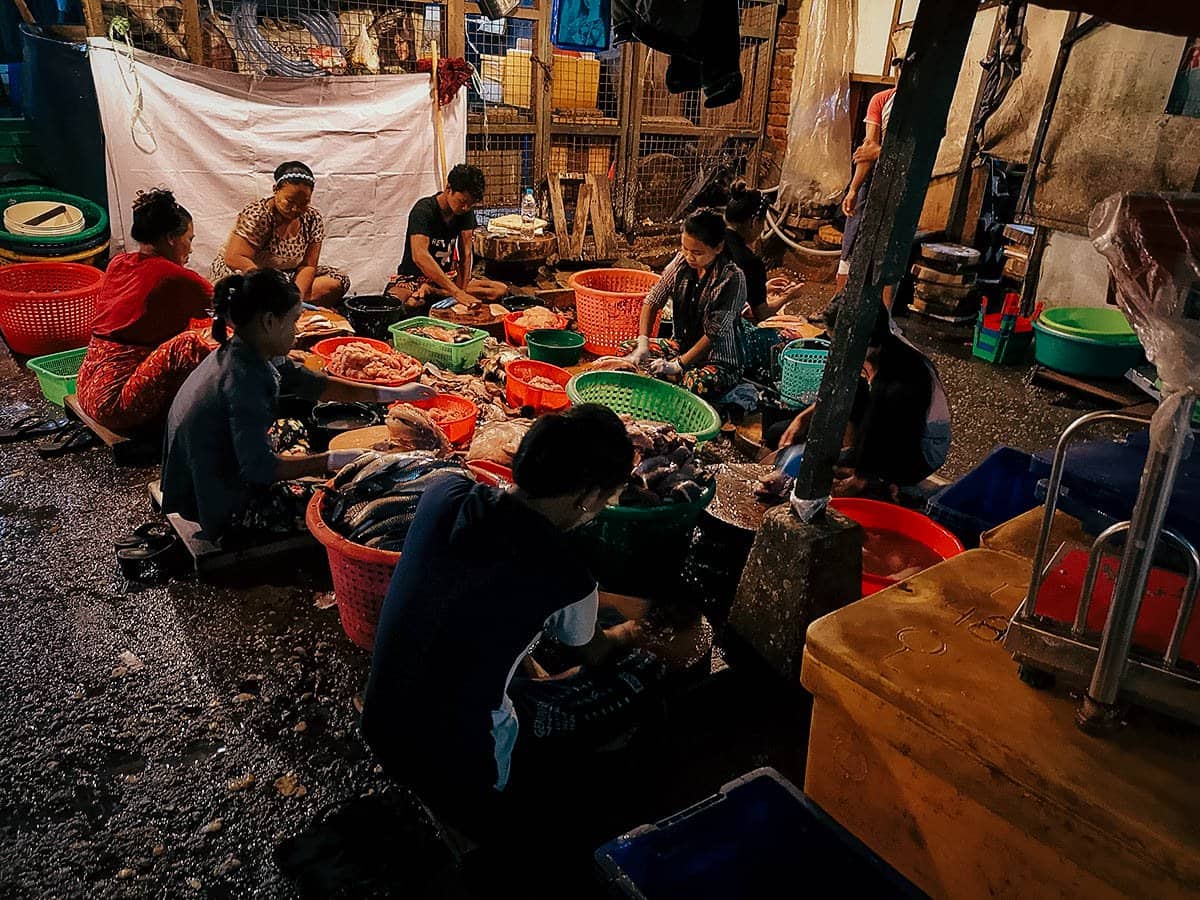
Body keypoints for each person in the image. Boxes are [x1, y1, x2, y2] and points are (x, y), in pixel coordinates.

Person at [362, 404, 643, 844]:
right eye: (605, 500)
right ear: (588, 497)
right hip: (463, 773)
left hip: (382, 727)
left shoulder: (445, 492)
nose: (600, 509)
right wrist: (634, 631)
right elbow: (593, 652)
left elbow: (475, 593)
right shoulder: (566, 574)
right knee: (631, 688)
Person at [161, 269, 431, 543]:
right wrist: (333, 460)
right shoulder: (246, 379)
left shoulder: (252, 348)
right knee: (339, 504)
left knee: (293, 425)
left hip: (212, 471)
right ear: (269, 322)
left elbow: (315, 385)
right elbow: (260, 470)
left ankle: (297, 470)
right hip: (219, 506)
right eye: (294, 320)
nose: (298, 329)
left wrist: (393, 392)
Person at [775, 299, 950, 498]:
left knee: (833, 472)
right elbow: (845, 391)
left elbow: (895, 433)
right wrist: (804, 418)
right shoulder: (874, 352)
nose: (836, 348)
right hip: (889, 430)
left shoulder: (902, 379)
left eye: (838, 341)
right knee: (786, 437)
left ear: (862, 340)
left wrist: (862, 477)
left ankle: (888, 485)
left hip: (920, 450)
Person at [76, 189, 213, 433]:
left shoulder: (119, 262)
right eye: (189, 239)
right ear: (171, 237)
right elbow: (237, 309)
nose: (191, 249)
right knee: (192, 343)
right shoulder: (175, 277)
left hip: (87, 389)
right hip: (114, 405)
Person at [625, 208, 746, 400]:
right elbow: (653, 300)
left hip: (717, 358)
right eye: (685, 248)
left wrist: (677, 365)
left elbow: (713, 335)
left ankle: (675, 378)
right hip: (680, 345)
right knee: (627, 352)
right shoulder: (682, 262)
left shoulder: (731, 278)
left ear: (718, 247)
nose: (689, 256)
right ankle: (671, 377)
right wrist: (643, 343)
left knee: (696, 384)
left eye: (697, 252)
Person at [211, 161, 350, 306]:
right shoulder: (258, 214)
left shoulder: (312, 218)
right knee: (242, 294)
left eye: (304, 203)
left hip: (284, 275)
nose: (296, 209)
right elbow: (234, 258)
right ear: (275, 190)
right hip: (250, 274)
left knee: (337, 280)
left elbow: (308, 265)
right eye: (290, 201)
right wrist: (268, 286)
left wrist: (297, 297)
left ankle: (284, 305)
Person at [385, 163, 506, 312]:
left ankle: (433, 291)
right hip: (414, 279)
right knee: (399, 302)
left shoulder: (464, 213)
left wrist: (461, 289)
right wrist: (456, 293)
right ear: (449, 189)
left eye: (471, 204)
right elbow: (420, 256)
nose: (466, 208)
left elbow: (466, 253)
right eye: (462, 202)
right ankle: (431, 292)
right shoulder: (423, 210)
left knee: (500, 290)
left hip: (447, 279)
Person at [839, 61, 901, 308]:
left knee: (889, 249)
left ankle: (884, 319)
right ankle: (838, 309)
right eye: (900, 69)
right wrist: (853, 189)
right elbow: (868, 149)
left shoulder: (922, 109)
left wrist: (880, 152)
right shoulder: (882, 100)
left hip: (901, 183)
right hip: (872, 179)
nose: (902, 75)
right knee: (851, 242)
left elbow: (917, 151)